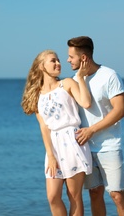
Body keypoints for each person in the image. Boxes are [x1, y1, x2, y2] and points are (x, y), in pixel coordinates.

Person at [66, 36, 124, 216]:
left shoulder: (109, 76)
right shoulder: (75, 80)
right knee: (95, 193)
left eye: (71, 56)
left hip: (109, 146)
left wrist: (92, 130)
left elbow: (120, 110)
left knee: (117, 195)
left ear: (84, 58)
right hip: (85, 148)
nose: (68, 60)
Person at [21, 49, 93, 216]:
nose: (58, 63)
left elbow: (86, 103)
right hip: (53, 146)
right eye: (53, 60)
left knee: (74, 196)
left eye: (59, 60)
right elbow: (44, 127)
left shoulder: (67, 83)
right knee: (53, 197)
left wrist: (80, 78)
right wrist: (51, 155)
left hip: (73, 142)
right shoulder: (37, 95)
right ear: (41, 66)